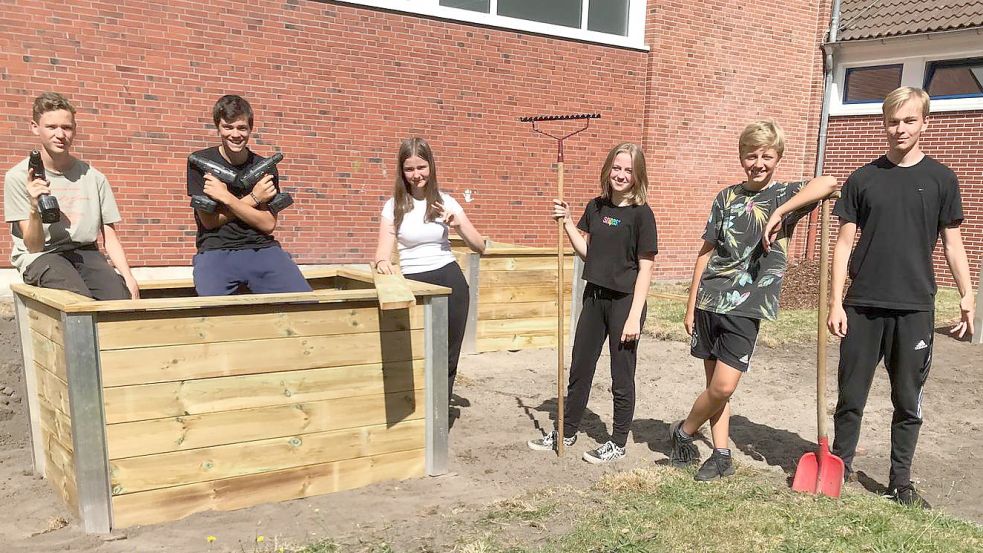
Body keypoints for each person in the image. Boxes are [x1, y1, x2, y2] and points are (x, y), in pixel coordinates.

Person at [828, 87, 974, 508]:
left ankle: (900, 481)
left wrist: (967, 293)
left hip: (914, 308)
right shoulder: (863, 178)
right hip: (863, 306)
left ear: (924, 123)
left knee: (908, 401)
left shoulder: (941, 179)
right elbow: (843, 244)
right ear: (884, 123)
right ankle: (840, 465)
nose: (900, 128)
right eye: (893, 121)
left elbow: (952, 244)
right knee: (851, 396)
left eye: (909, 120)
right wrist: (837, 301)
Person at [668, 120, 837, 480]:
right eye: (751, 155)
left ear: (778, 158)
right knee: (717, 390)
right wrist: (690, 303)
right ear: (741, 157)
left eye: (766, 156)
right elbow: (706, 251)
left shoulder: (783, 197)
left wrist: (778, 213)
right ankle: (721, 454)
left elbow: (829, 182)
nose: (758, 163)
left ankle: (683, 431)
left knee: (724, 386)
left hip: (746, 307)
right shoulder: (726, 198)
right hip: (709, 300)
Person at [527, 142, 658, 464]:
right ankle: (567, 430)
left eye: (628, 170)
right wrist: (569, 221)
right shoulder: (596, 207)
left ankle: (617, 442)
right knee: (580, 367)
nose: (621, 174)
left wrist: (633, 316)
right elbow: (588, 254)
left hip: (624, 303)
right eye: (617, 168)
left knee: (621, 375)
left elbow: (646, 268)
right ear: (608, 169)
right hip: (594, 298)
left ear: (638, 175)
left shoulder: (642, 214)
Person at [373, 137, 486, 400]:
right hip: (414, 284)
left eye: (421, 167)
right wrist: (382, 263)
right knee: (417, 354)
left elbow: (479, 246)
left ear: (431, 167)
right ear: (402, 171)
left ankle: (439, 414)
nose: (416, 175)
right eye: (409, 169)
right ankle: (419, 418)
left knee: (448, 356)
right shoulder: (394, 206)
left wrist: (457, 223)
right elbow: (381, 252)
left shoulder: (447, 202)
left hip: (449, 281)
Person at [4, 92, 138, 300]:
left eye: (66, 127)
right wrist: (33, 207)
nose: (60, 134)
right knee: (77, 299)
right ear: (34, 127)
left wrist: (129, 278)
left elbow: (110, 237)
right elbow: (34, 246)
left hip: (85, 252)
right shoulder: (18, 177)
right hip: (42, 256)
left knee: (120, 297)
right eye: (51, 127)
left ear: (74, 130)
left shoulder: (94, 177)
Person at [187, 94, 311, 296]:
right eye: (228, 127)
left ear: (250, 129)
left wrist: (225, 198)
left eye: (241, 128)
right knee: (212, 316)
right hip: (216, 250)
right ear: (218, 127)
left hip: (261, 248)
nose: (235, 134)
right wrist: (254, 199)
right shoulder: (200, 162)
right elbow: (209, 222)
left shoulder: (265, 167)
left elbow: (267, 224)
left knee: (306, 303)